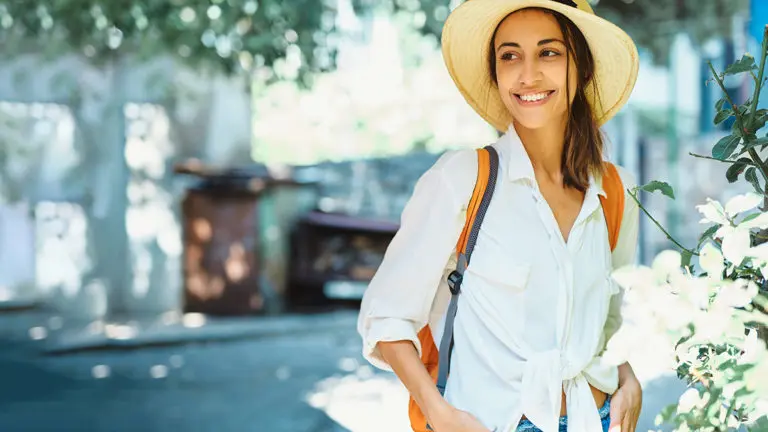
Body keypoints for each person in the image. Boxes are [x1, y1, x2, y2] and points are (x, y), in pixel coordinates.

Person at [357, 1, 642, 431]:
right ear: (496, 72)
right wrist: (439, 413)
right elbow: (386, 317)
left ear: (581, 68)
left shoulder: (615, 192)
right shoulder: (463, 179)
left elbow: (610, 317)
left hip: (598, 418)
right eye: (510, 56)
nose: (528, 74)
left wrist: (628, 375)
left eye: (549, 52)